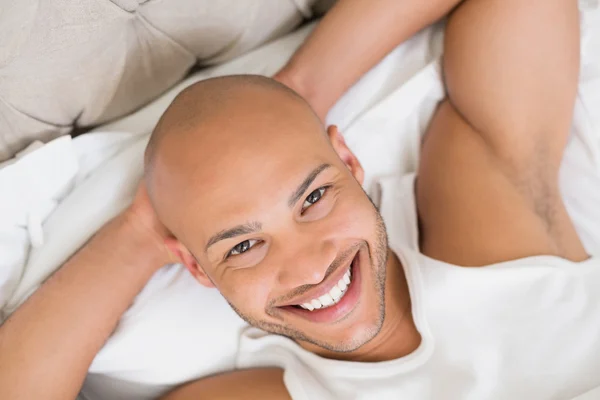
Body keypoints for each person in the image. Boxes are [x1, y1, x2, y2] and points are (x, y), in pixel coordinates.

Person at [2, 0, 600, 400]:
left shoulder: (496, 249)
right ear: (196, 269)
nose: (312, 265)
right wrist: (139, 231)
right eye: (243, 245)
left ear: (349, 162)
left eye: (313, 197)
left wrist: (303, 88)